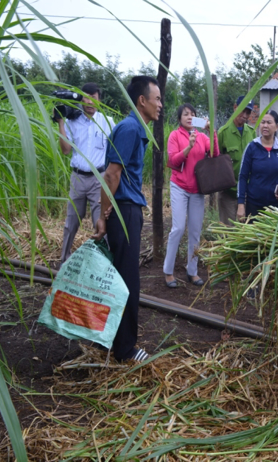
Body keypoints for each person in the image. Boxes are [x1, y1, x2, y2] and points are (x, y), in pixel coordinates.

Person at [92, 75, 162, 362]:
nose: (160, 104)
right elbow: (111, 174)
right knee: (127, 280)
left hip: (126, 209)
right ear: (141, 101)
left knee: (120, 276)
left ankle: (109, 340)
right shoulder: (131, 128)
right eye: (157, 98)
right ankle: (125, 349)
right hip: (125, 211)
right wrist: (103, 214)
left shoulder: (135, 127)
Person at [163, 103, 219, 288]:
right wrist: (188, 147)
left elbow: (215, 154)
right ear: (179, 118)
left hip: (197, 190)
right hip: (179, 186)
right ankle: (168, 271)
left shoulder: (203, 137)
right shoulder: (174, 135)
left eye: (193, 114)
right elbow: (172, 160)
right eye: (186, 114)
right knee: (178, 228)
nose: (189, 116)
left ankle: (192, 271)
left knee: (195, 231)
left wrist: (212, 133)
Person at [59, 83, 113, 264]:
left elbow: (114, 150)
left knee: (101, 221)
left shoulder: (108, 122)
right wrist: (60, 121)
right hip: (78, 178)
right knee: (71, 221)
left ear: (100, 100)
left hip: (99, 178)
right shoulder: (71, 121)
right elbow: (66, 150)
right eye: (86, 97)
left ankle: (101, 262)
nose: (89, 102)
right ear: (80, 99)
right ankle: (64, 258)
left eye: (94, 98)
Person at [236, 110, 278, 221]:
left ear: (276, 126)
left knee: (277, 237)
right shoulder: (252, 147)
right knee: (253, 238)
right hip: (254, 205)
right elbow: (243, 177)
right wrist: (241, 204)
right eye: (262, 122)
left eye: (269, 122)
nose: (265, 125)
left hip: (276, 207)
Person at [217, 96, 257, 225]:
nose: (245, 115)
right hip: (229, 192)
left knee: (246, 232)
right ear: (235, 107)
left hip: (248, 193)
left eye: (248, 112)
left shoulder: (251, 133)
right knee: (228, 232)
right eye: (242, 110)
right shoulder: (223, 132)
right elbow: (217, 160)